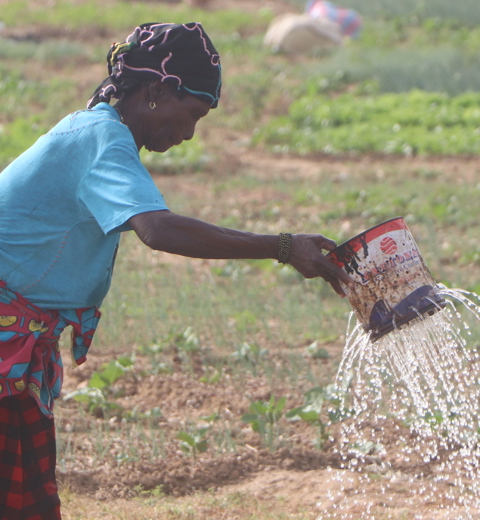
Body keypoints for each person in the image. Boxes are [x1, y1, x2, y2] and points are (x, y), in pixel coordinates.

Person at [0, 22, 354, 520]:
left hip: (17, 341)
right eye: (190, 114)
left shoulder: (96, 130)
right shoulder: (102, 138)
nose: (188, 134)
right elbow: (158, 231)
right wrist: (282, 247)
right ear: (155, 91)